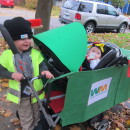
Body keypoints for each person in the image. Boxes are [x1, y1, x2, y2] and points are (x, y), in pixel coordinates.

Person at [0, 17, 54, 130]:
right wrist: (12, 75)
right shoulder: (7, 55)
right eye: (23, 38)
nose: (27, 41)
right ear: (12, 40)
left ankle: (36, 125)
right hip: (21, 95)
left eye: (29, 37)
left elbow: (41, 64)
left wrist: (44, 70)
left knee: (36, 113)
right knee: (26, 117)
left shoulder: (34, 53)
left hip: (35, 94)